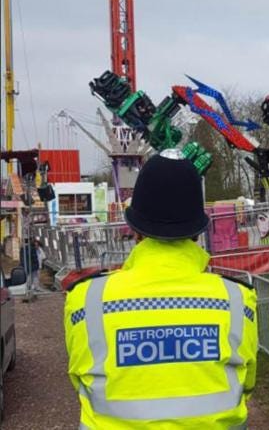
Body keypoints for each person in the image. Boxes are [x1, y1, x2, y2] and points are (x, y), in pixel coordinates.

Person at [64, 150, 258, 429]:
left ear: (134, 230)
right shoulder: (237, 299)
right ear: (197, 233)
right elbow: (246, 384)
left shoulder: (86, 299)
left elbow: (80, 381)